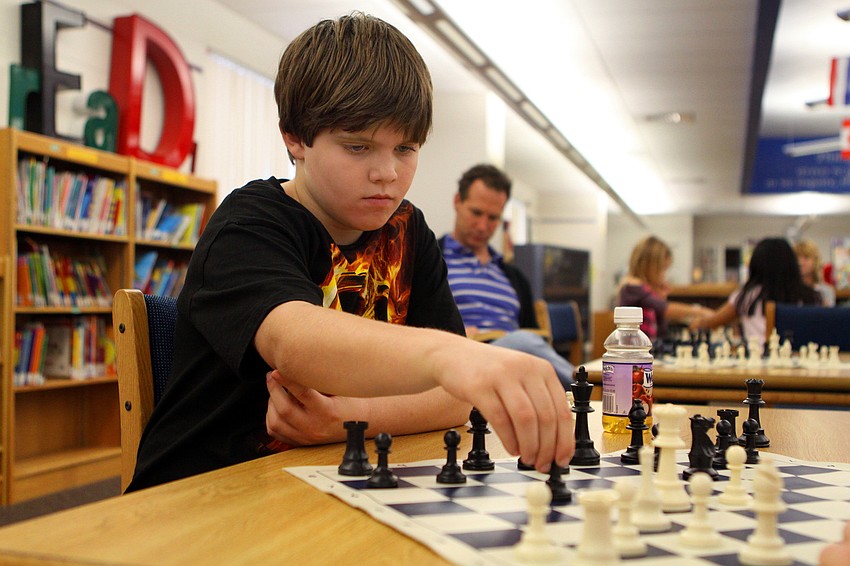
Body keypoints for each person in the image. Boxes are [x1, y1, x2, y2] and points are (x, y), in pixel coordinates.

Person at [125, 13, 573, 492]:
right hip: (203, 495)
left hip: (319, 484)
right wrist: (453, 356)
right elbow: (296, 343)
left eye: (406, 148)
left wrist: (348, 419)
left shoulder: (408, 229)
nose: (387, 173)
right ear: (294, 137)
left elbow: (453, 401)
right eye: (358, 147)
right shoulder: (247, 224)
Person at [438, 164, 575, 389]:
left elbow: (533, 333)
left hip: (512, 366)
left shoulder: (514, 277)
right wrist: (457, 333)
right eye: (476, 213)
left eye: (493, 218)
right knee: (524, 342)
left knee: (525, 343)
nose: (483, 226)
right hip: (459, 358)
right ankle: (588, 387)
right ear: (457, 202)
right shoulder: (432, 260)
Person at [690, 237, 821, 349]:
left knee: (751, 379)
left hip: (757, 368)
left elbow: (713, 321)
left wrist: (697, 321)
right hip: (800, 364)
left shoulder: (746, 297)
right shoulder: (811, 296)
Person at [618, 235, 712, 344]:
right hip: (634, 351)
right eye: (663, 269)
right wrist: (701, 312)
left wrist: (660, 296)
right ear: (650, 266)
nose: (664, 276)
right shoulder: (633, 287)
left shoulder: (646, 290)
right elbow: (665, 309)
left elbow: (661, 327)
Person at [794, 239, 836, 306]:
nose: (800, 263)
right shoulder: (790, 291)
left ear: (815, 261)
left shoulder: (826, 291)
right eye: (796, 258)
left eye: (806, 257)